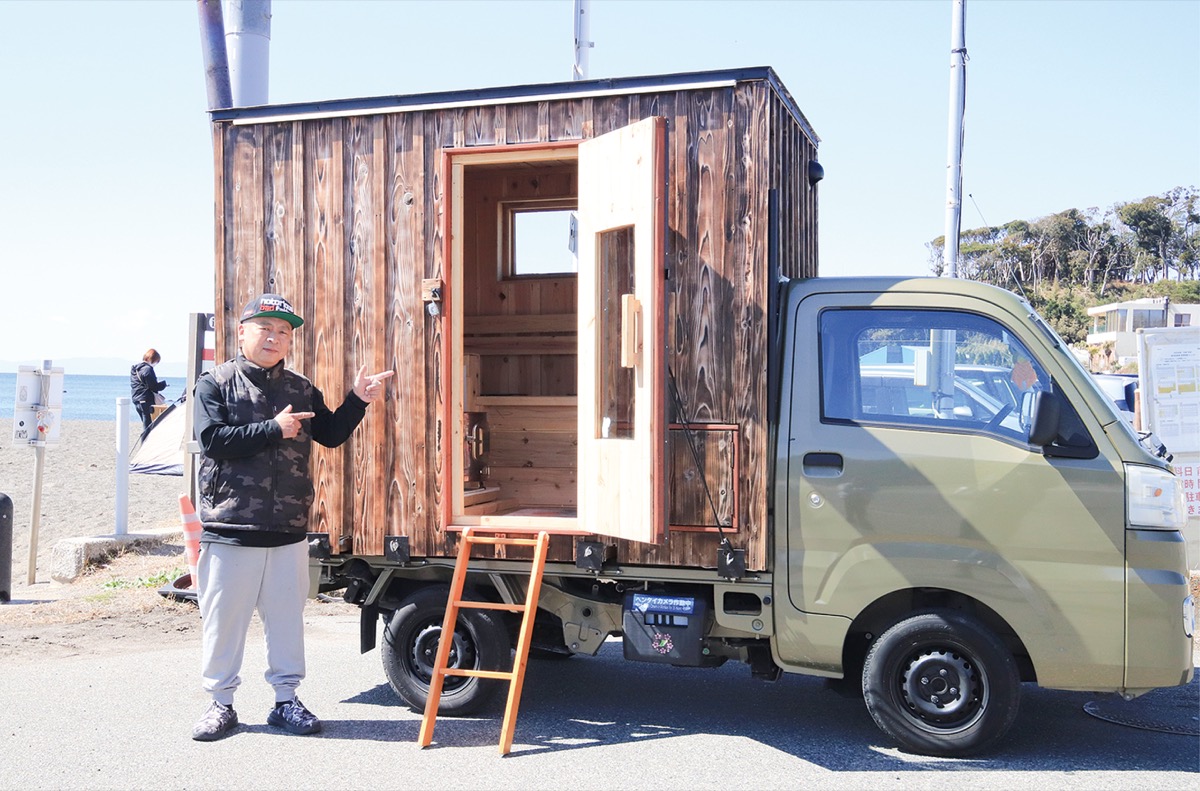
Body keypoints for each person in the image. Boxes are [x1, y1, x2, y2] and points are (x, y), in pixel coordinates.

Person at [190, 293, 394, 742]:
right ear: (242, 332)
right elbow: (211, 439)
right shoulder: (215, 383)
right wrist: (272, 429)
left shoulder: (300, 387)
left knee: (286, 621)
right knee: (224, 621)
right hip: (231, 528)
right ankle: (220, 703)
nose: (275, 337)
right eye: (265, 328)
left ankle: (286, 701)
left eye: (283, 331)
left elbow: (331, 434)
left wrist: (357, 400)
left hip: (288, 528)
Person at [130, 349, 168, 429]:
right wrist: (163, 384)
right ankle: (146, 437)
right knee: (148, 426)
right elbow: (153, 386)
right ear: (153, 359)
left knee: (146, 424)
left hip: (137, 399)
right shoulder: (148, 369)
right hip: (146, 400)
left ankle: (145, 436)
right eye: (157, 361)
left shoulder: (136, 369)